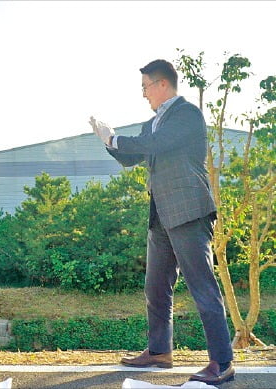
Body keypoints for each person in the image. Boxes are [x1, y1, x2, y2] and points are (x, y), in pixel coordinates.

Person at [90, 59, 234, 385]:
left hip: (188, 212)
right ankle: (159, 352)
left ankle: (222, 362)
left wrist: (116, 140)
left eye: (145, 87)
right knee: (155, 288)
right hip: (161, 216)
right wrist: (107, 139)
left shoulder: (186, 116)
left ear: (162, 85)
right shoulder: (152, 123)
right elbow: (131, 157)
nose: (143, 94)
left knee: (202, 288)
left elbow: (155, 145)